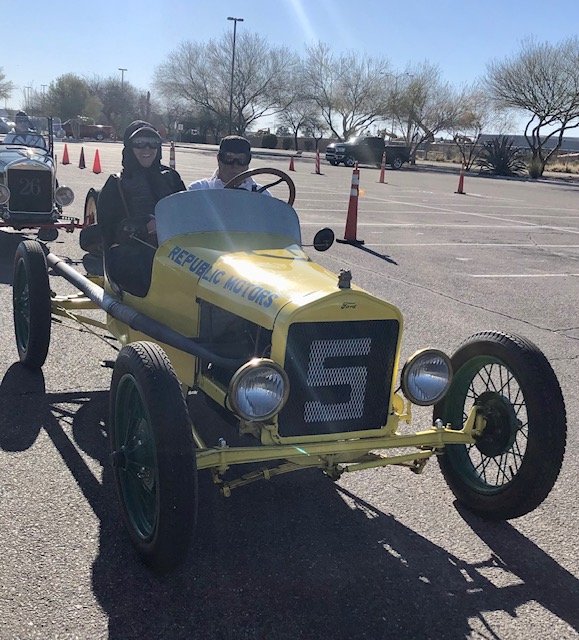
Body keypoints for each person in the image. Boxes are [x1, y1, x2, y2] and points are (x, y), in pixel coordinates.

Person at [98, 120, 185, 296]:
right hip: (131, 254)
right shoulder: (116, 184)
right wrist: (144, 228)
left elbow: (187, 210)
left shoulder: (171, 178)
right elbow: (108, 232)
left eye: (153, 143)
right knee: (149, 262)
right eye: (139, 143)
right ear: (129, 147)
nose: (147, 149)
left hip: (172, 248)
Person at [188, 135, 270, 194]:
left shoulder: (262, 195)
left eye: (241, 159)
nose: (235, 165)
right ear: (219, 159)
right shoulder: (198, 190)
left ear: (248, 161)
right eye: (229, 158)